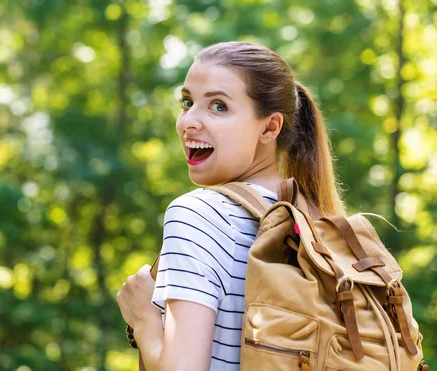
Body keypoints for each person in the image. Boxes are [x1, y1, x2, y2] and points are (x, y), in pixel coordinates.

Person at [115, 41, 346, 370]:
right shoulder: (318, 228)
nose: (188, 122)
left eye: (218, 106)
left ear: (270, 127)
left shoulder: (199, 215)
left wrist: (143, 321)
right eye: (187, 102)